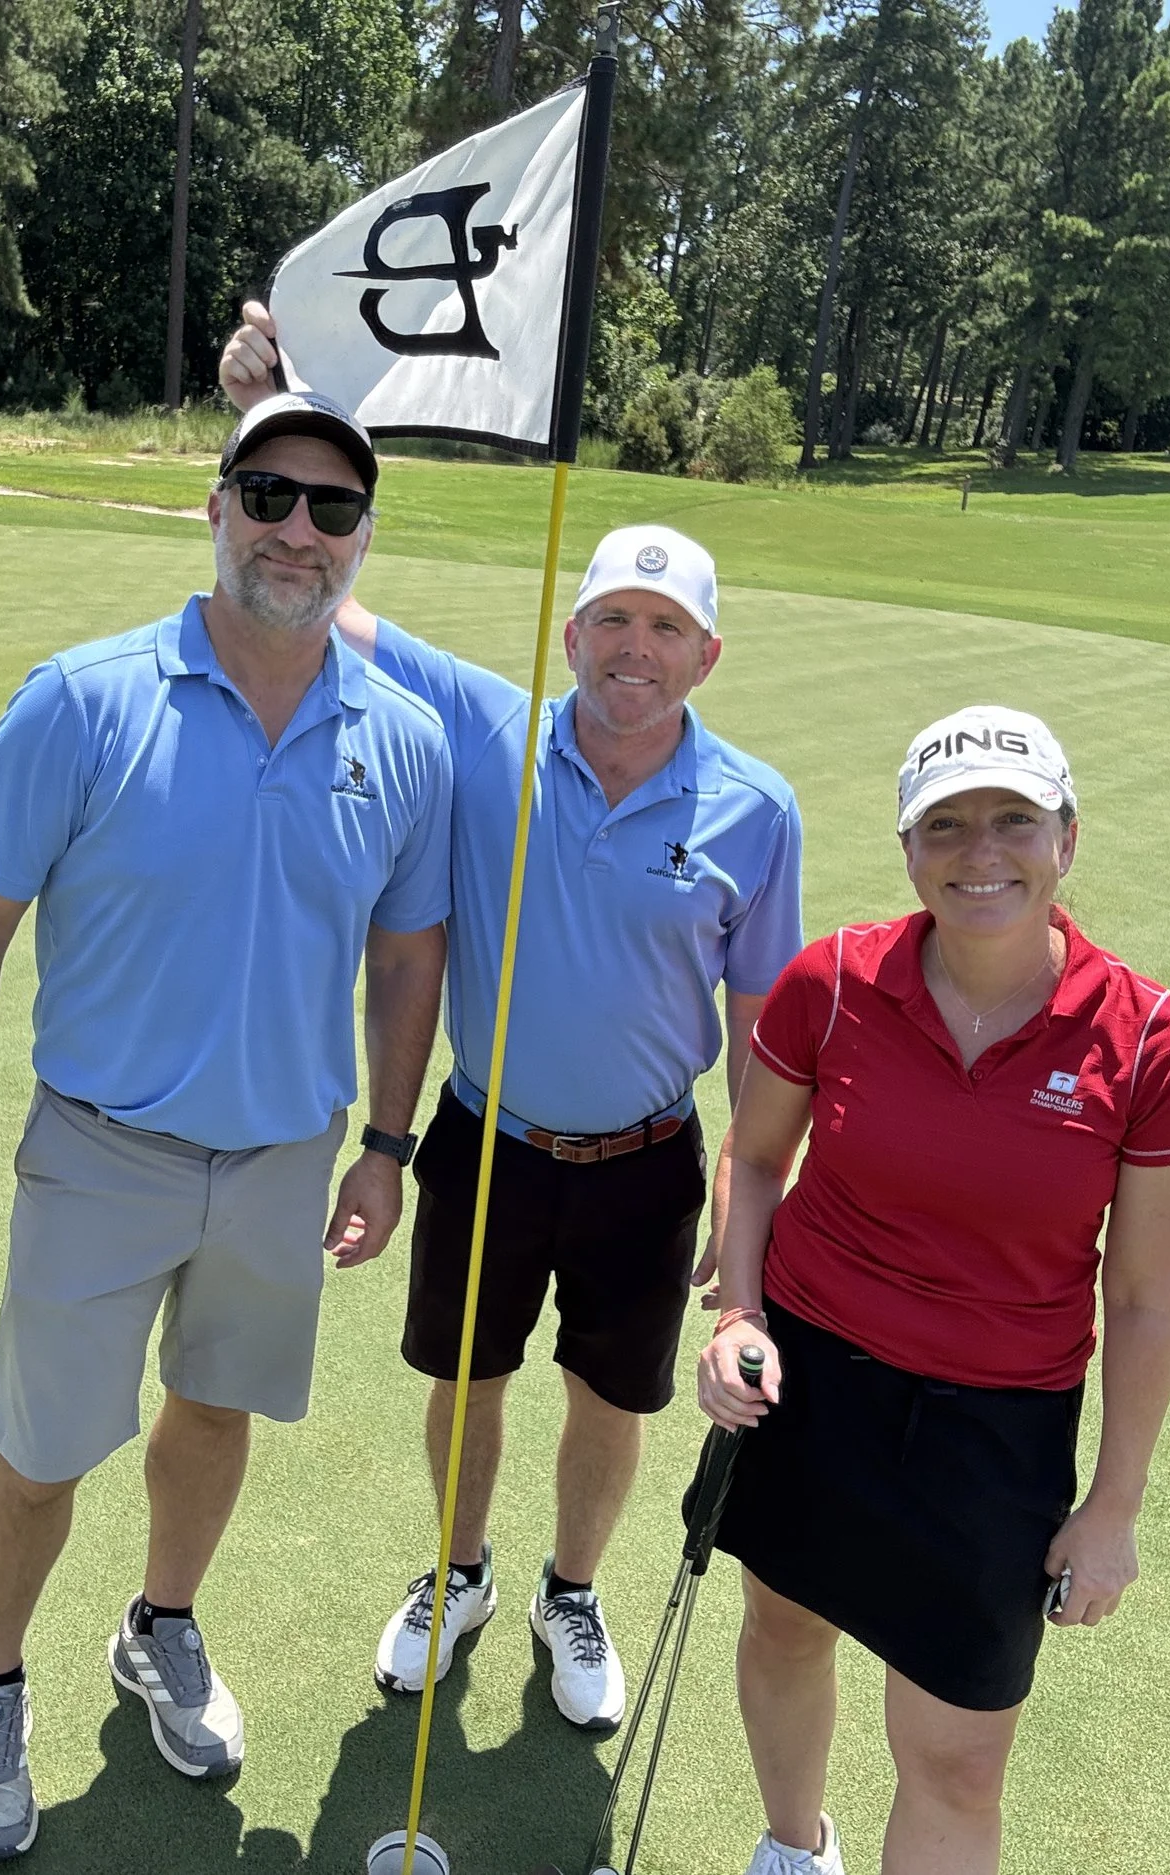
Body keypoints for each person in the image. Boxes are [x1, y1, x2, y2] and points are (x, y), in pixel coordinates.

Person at [217, 310, 805, 1732]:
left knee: (612, 1399)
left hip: (649, 1163)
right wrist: (266, 412)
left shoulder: (756, 809)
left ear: (706, 655)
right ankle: (460, 1568)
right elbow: (304, 586)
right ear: (572, 630)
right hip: (485, 1143)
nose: (634, 650)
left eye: (666, 629)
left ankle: (570, 1590)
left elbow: (768, 1043)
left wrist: (749, 1224)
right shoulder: (488, 728)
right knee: (467, 1379)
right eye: (613, 621)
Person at [0, 390, 452, 1859]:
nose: (298, 530)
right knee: (40, 1450)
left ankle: (161, 1625)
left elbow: (407, 959)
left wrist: (386, 1146)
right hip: (101, 1152)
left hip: (283, 1160)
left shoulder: (401, 738)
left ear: (362, 538)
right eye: (269, 494)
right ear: (215, 508)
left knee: (214, 1410)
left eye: (333, 507)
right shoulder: (84, 699)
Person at [694, 706, 1170, 1875]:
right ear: (907, 850)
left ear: (1065, 839)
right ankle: (793, 1849)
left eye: (1013, 821)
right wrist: (737, 1311)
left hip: (996, 1432)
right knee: (784, 1630)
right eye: (945, 825)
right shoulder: (833, 981)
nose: (980, 851)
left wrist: (1114, 1509)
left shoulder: (1150, 1044)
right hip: (813, 1382)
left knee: (959, 1761)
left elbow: (1143, 1300)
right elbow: (755, 1158)